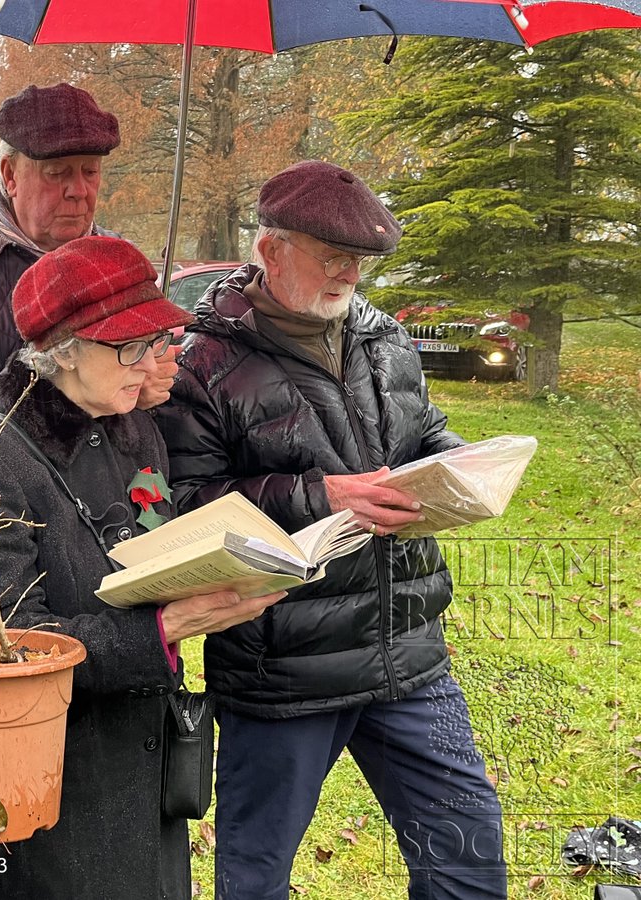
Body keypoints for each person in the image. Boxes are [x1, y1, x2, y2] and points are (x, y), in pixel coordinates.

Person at [155, 160, 508, 900]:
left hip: (407, 652)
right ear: (270, 249)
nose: (349, 272)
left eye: (360, 259)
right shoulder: (203, 363)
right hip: (281, 668)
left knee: (467, 857)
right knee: (256, 877)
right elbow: (184, 506)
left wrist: (456, 467)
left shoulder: (385, 338)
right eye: (331, 255)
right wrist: (320, 495)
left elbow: (424, 430)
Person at [0, 235, 287, 900]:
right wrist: (163, 630)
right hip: (55, 792)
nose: (153, 362)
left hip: (149, 774)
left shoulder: (136, 429)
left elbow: (151, 544)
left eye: (156, 340)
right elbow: (2, 649)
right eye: (130, 345)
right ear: (63, 349)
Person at [0, 82, 179, 460]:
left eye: (90, 171)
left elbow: (165, 409)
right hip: (20, 495)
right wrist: (104, 390)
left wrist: (153, 380)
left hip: (126, 487)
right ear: (10, 175)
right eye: (57, 173)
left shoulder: (122, 262)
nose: (79, 190)